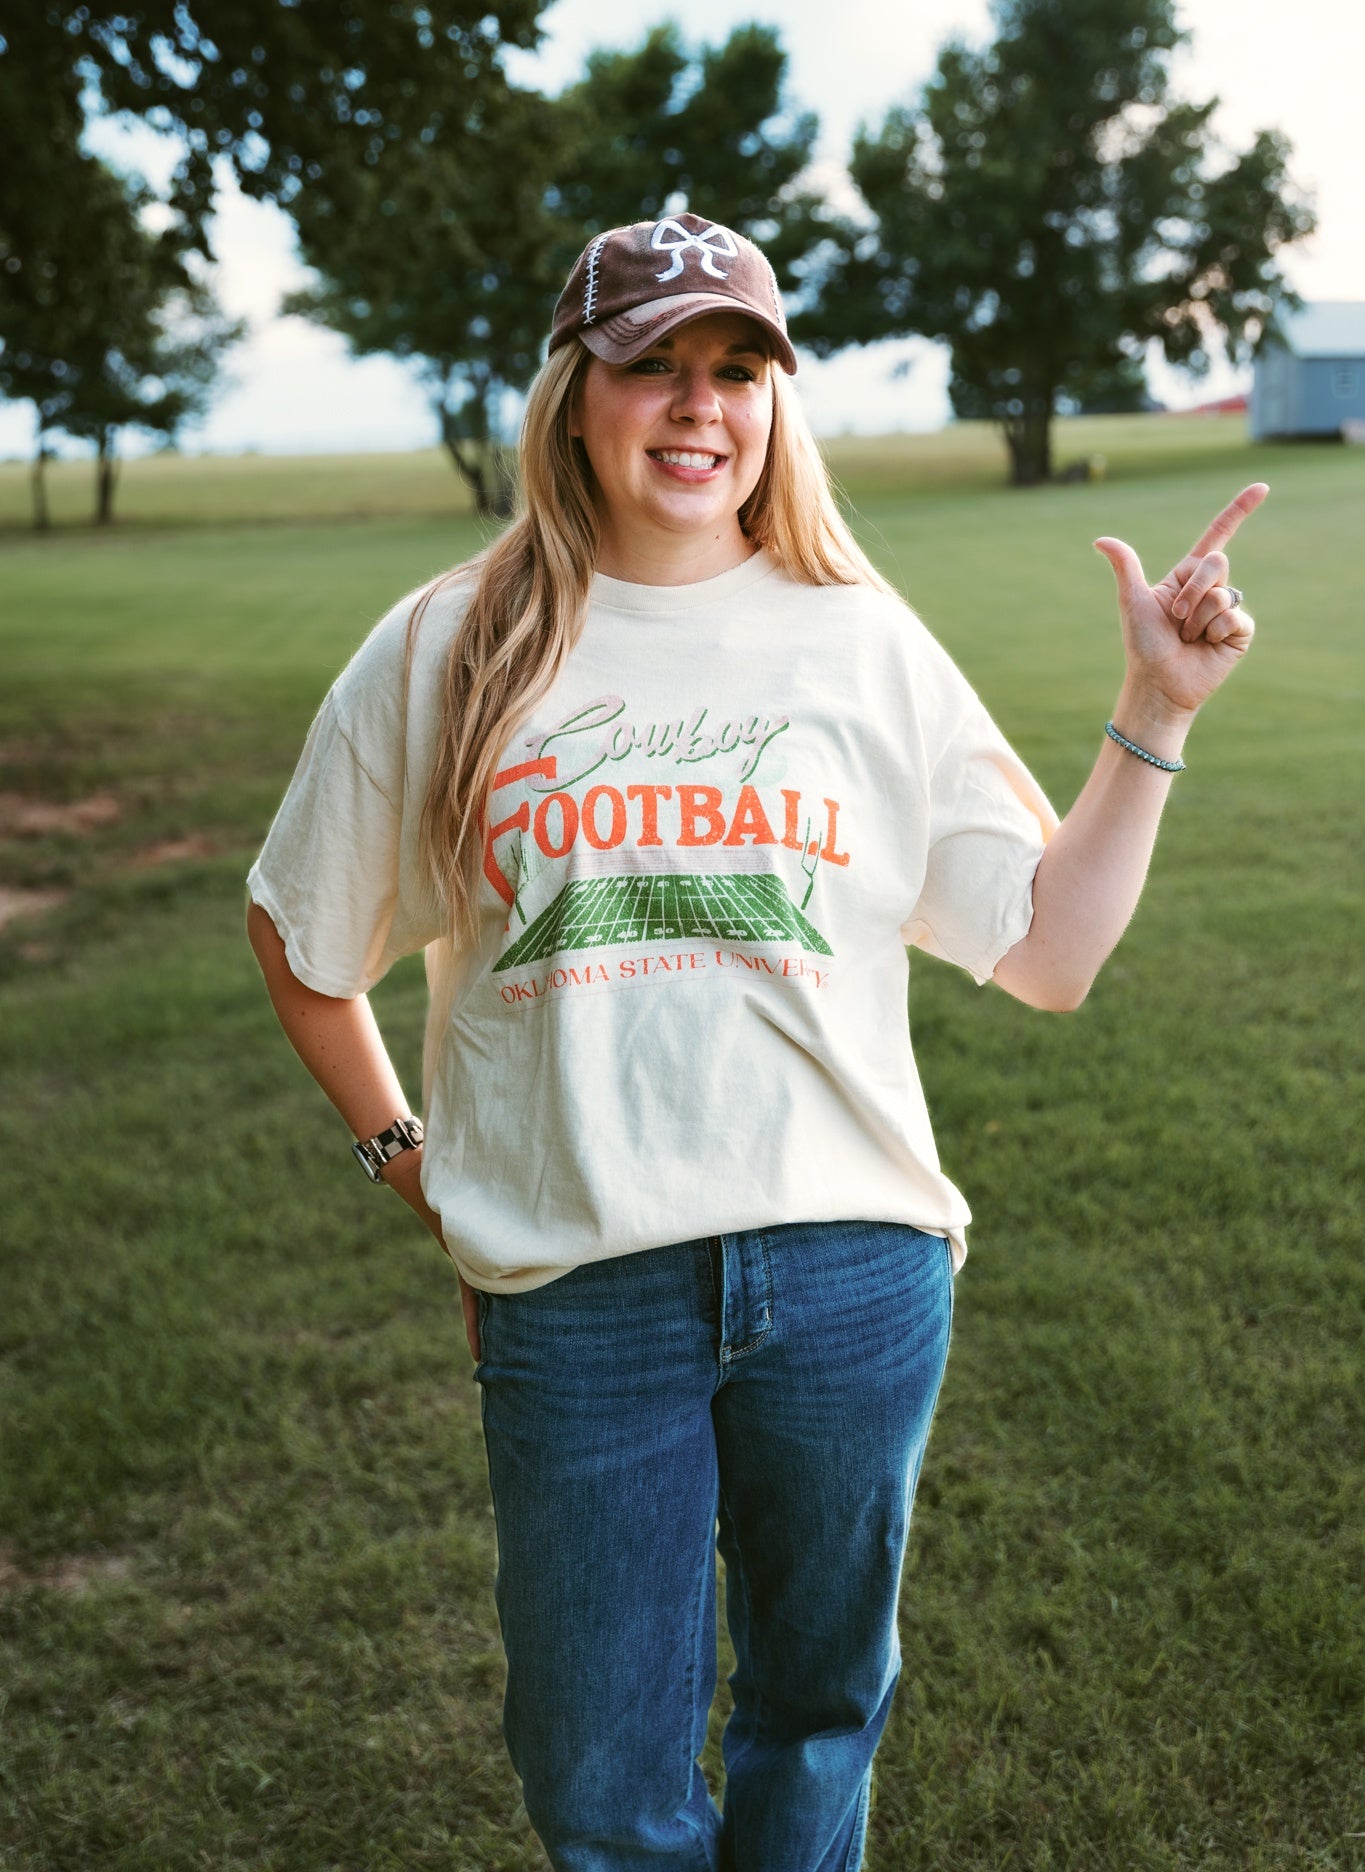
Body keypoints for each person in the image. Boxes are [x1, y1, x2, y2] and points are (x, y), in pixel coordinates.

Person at [245, 212, 1260, 1870]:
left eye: (735, 371)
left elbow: (1050, 953)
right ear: (577, 393)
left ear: (777, 405)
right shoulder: (448, 644)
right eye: (652, 366)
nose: (697, 406)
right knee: (600, 1786)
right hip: (581, 1300)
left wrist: (1151, 716)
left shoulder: (856, 639)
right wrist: (402, 1157)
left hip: (853, 1279)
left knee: (815, 1721)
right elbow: (300, 934)